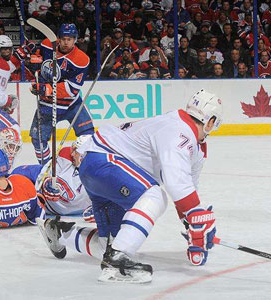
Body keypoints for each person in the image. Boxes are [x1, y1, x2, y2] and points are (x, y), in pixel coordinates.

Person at [38, 89, 222, 283]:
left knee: (107, 247)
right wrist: (195, 217)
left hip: (97, 168)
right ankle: (118, 260)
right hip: (106, 162)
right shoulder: (181, 132)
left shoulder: (177, 127)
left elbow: (187, 187)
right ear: (210, 121)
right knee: (155, 196)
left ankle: (60, 232)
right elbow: (176, 183)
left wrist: (192, 223)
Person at [29, 23, 94, 165]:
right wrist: (33, 60)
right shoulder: (47, 45)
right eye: (63, 38)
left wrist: (46, 89)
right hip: (47, 104)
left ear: (75, 40)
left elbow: (72, 89)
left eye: (70, 39)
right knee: (38, 138)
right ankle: (45, 168)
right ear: (58, 38)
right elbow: (39, 64)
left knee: (87, 133)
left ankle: (86, 166)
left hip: (71, 103)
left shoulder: (81, 59)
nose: (66, 42)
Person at [12, 135, 92, 216]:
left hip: (50, 208)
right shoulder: (66, 156)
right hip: (39, 185)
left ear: (84, 155)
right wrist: (46, 182)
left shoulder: (99, 180)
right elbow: (47, 172)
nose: (72, 154)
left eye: (76, 151)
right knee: (16, 175)